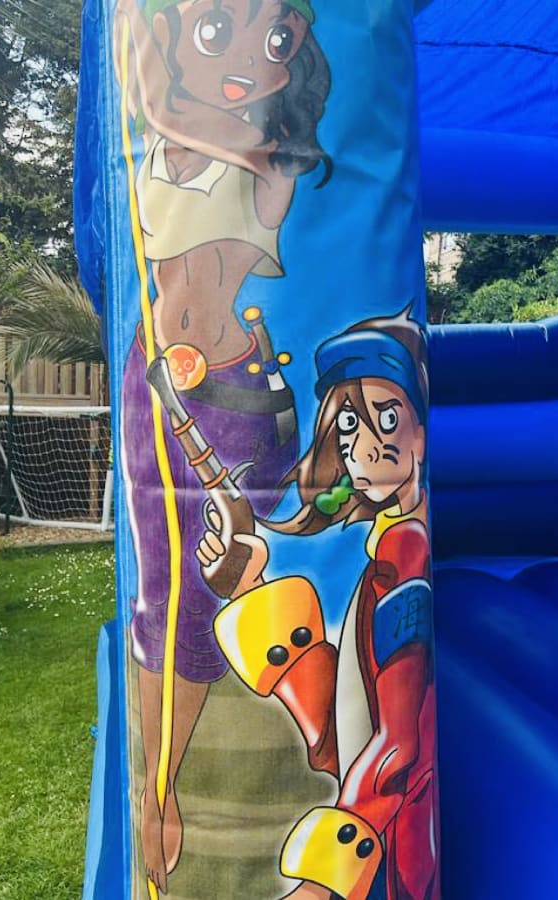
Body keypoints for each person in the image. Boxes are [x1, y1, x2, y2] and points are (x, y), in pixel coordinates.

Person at [113, 0, 331, 890]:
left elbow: (195, 114)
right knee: (158, 591)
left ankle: (304, 756)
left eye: (277, 39)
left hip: (235, 395)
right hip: (154, 374)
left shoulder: (269, 158)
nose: (251, 57)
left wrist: (173, 45)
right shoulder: (151, 143)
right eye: (219, 30)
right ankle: (162, 795)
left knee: (210, 594)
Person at [199, 309, 440, 900]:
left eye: (388, 418)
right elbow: (343, 727)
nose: (364, 446)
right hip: (387, 845)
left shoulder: (405, 562)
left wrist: (321, 883)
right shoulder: (388, 553)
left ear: (421, 433)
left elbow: (397, 746)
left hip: (391, 852)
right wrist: (250, 587)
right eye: (350, 423)